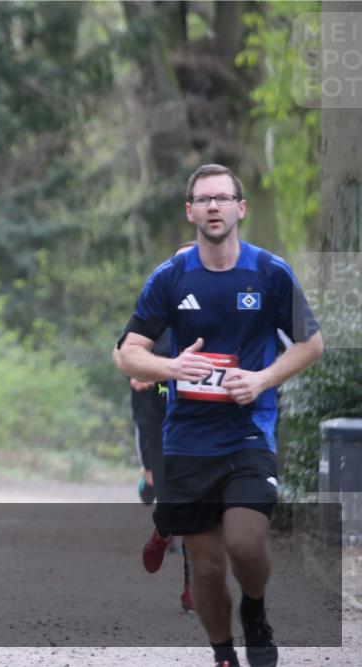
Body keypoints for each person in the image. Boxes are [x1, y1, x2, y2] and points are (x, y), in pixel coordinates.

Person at [114, 164, 323, 667]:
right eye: (204, 199)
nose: (214, 206)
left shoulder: (270, 273)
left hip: (249, 433)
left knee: (246, 544)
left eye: (223, 198)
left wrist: (261, 380)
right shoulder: (170, 278)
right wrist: (171, 366)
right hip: (188, 441)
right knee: (206, 569)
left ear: (240, 208)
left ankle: (255, 610)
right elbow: (127, 353)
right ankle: (223, 653)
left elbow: (311, 344)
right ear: (190, 211)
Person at [117, 242, 197, 613]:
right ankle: (162, 529)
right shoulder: (159, 304)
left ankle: (193, 585)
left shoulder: (220, 309)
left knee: (200, 504)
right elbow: (124, 350)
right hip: (161, 417)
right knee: (170, 502)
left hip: (205, 419)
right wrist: (139, 370)